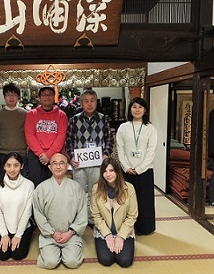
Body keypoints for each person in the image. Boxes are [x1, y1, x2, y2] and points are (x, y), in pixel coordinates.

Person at [66, 89, 114, 226]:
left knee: (96, 191)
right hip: (79, 163)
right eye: (86, 101)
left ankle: (94, 219)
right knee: (80, 193)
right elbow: (68, 141)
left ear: (96, 102)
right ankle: (81, 219)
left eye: (92, 101)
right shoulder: (74, 120)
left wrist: (105, 154)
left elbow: (109, 140)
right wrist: (71, 157)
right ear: (81, 103)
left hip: (97, 164)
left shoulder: (103, 119)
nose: (89, 104)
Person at [32, 153, 87, 269]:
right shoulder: (41, 189)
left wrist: (71, 232)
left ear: (67, 166)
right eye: (54, 163)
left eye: (62, 163)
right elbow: (38, 214)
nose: (58, 166)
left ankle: (71, 250)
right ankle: (54, 251)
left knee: (72, 262)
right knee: (50, 263)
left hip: (71, 235)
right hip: (49, 235)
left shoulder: (76, 187)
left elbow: (82, 213)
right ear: (49, 167)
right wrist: (52, 233)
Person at [116, 97, 157, 235]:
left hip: (145, 171)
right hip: (127, 170)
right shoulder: (123, 127)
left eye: (140, 107)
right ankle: (126, 228)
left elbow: (151, 151)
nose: (137, 110)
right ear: (130, 109)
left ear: (145, 110)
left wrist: (140, 169)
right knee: (126, 201)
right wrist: (126, 166)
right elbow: (120, 149)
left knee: (144, 202)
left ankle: (145, 228)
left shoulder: (150, 129)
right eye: (134, 107)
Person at [90, 157, 138, 267]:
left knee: (125, 261)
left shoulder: (129, 188)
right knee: (106, 260)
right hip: (104, 231)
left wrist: (121, 237)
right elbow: (96, 215)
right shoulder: (96, 188)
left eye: (111, 170)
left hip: (123, 230)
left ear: (117, 172)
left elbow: (132, 216)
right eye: (105, 171)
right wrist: (108, 235)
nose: (108, 174)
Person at [0, 152, 35, 261]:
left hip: (23, 227)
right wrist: (4, 234)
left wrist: (18, 235)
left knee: (17, 255)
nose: (12, 169)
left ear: (22, 166)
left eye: (16, 165)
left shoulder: (29, 185)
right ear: (4, 166)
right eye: (8, 165)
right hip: (4, 227)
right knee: (2, 255)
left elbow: (27, 212)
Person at [25, 86, 68, 186]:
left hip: (55, 155)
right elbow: (30, 135)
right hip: (36, 156)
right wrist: (41, 154)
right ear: (39, 98)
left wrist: (49, 155)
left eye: (50, 95)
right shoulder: (32, 114)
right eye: (44, 95)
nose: (47, 97)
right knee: (36, 185)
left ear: (54, 97)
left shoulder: (61, 115)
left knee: (55, 185)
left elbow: (61, 137)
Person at [0, 83, 28, 177]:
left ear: (18, 97)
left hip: (21, 153)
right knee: (3, 181)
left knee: (22, 180)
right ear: (4, 97)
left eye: (14, 95)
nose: (11, 97)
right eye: (8, 95)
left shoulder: (26, 114)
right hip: (3, 154)